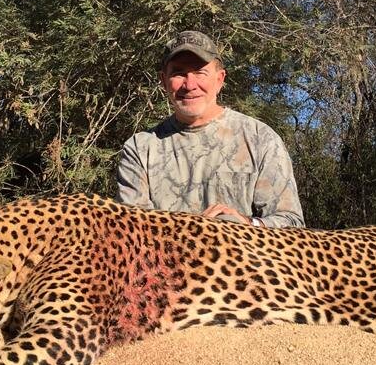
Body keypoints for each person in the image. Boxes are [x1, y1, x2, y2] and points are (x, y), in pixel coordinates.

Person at [117, 30, 305, 227]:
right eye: (179, 73)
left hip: (243, 256)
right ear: (164, 81)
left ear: (219, 79)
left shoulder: (260, 138)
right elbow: (134, 231)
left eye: (200, 72)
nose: (190, 85)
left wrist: (248, 224)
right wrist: (195, 232)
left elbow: (291, 223)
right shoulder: (140, 148)